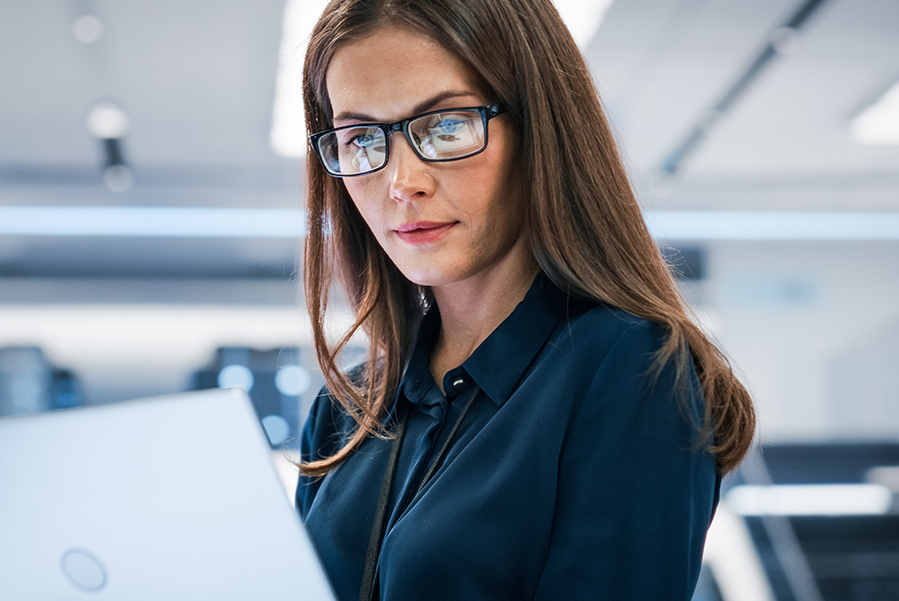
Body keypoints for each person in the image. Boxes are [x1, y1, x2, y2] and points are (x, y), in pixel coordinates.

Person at [293, 0, 757, 600]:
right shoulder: (347, 410)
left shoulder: (627, 369)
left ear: (540, 130)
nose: (401, 181)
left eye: (447, 126)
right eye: (359, 138)